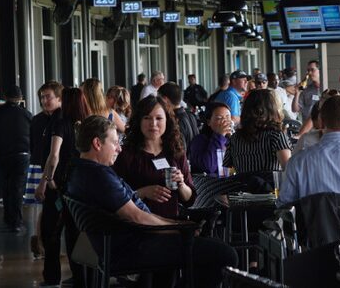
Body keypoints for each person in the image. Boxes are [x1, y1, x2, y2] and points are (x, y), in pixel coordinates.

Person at [66, 116, 237, 288]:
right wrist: (180, 229)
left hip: (116, 244)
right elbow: (137, 217)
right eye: (115, 142)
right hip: (132, 247)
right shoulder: (99, 176)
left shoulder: (79, 170)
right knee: (225, 253)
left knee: (209, 246)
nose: (119, 148)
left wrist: (179, 225)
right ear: (97, 143)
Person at [36, 87, 90, 288]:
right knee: (75, 232)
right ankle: (80, 276)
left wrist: (47, 179)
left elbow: (54, 155)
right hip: (80, 185)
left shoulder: (60, 123)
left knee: (52, 230)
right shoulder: (87, 123)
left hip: (59, 185)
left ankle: (52, 277)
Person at [113, 95, 195, 219]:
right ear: (139, 121)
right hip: (138, 226)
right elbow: (115, 198)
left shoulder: (175, 152)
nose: (153, 124)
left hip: (171, 225)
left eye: (159, 118)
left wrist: (181, 184)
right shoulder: (126, 154)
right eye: (147, 118)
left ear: (167, 121)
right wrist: (143, 193)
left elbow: (189, 199)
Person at [0, 84, 32, 231]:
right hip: (22, 156)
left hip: (2, 156)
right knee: (17, 187)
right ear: (20, 98)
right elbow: (33, 137)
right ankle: (15, 221)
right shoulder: (27, 114)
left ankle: (9, 218)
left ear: (5, 97)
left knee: (5, 185)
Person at [26, 81, 62, 260]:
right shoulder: (37, 120)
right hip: (38, 165)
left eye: (48, 97)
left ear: (59, 98)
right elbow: (34, 145)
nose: (45, 100)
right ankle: (38, 240)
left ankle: (43, 241)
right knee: (37, 206)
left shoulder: (62, 120)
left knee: (50, 208)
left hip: (55, 169)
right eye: (42, 97)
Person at [223, 89, 291, 173]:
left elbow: (226, 170)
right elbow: (289, 171)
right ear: (272, 109)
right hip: (270, 185)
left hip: (241, 185)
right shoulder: (276, 136)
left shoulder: (235, 138)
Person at [188, 102, 232, 176]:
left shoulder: (231, 140)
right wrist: (219, 136)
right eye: (219, 118)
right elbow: (209, 167)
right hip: (209, 185)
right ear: (209, 122)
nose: (225, 121)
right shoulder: (199, 140)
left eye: (227, 117)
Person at [157, 82, 199, 149]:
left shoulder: (174, 120)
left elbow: (179, 150)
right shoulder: (190, 115)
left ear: (165, 100)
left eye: (159, 99)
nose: (157, 103)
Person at [294, 60, 321, 135]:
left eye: (312, 70)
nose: (309, 73)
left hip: (323, 129)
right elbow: (295, 109)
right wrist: (297, 93)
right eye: (308, 70)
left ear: (320, 71)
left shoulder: (327, 88)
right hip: (307, 131)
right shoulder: (306, 90)